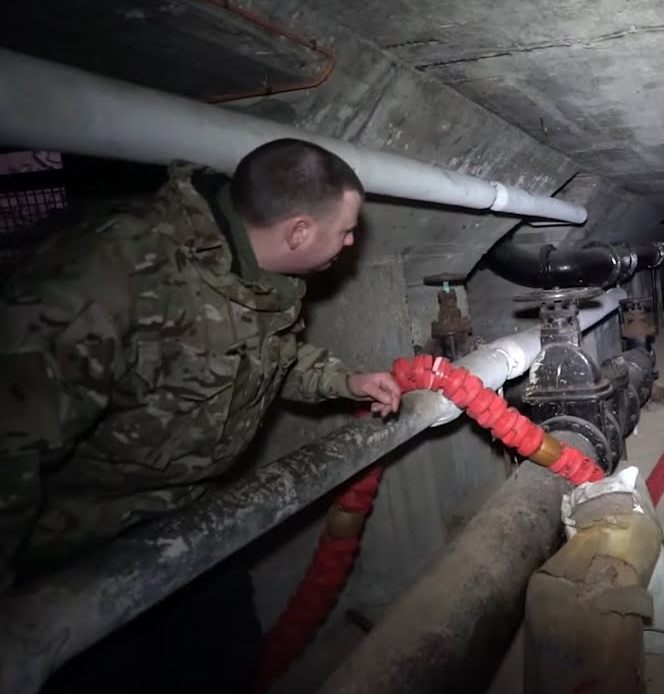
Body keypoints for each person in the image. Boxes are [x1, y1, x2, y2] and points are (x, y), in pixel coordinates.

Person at [0, 138, 403, 592]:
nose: (351, 242)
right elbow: (14, 436)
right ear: (299, 233)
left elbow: (266, 356)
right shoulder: (113, 272)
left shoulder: (261, 275)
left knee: (231, 652)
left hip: (191, 514)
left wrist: (345, 381)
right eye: (345, 231)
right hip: (80, 551)